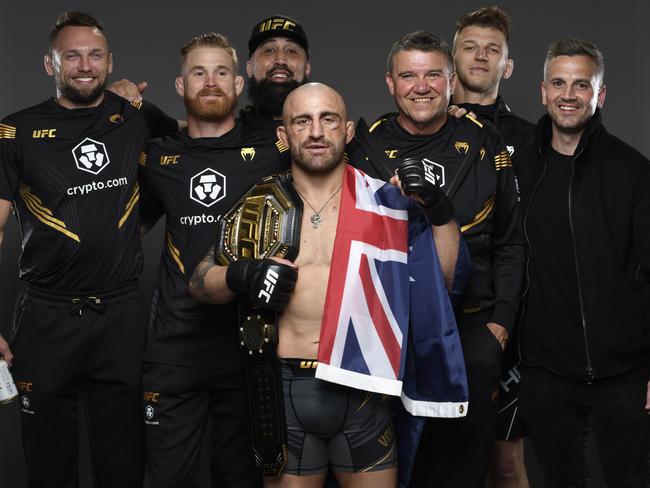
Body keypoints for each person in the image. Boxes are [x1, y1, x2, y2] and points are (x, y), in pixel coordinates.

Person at [188, 82, 466, 488]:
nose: (316, 132)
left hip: (365, 389)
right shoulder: (258, 204)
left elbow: (441, 285)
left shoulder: (384, 202)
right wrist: (240, 275)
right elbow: (198, 282)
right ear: (284, 136)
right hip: (282, 389)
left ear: (348, 130)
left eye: (328, 119)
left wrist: (440, 213)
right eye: (303, 121)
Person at [0, 11, 177, 487]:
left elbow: (195, 154)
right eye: (71, 55)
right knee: (49, 464)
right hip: (45, 318)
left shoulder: (135, 116)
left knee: (123, 463)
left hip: (120, 315)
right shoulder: (12, 132)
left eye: (94, 55)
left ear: (109, 61)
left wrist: (132, 225)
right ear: (48, 64)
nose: (84, 65)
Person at [347, 31, 525, 487]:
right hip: (390, 333)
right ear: (390, 82)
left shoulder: (485, 143)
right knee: (395, 469)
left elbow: (510, 241)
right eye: (408, 75)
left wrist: (500, 325)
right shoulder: (362, 147)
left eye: (432, 75)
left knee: (460, 471)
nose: (420, 86)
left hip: (470, 331)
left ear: (451, 82)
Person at [138, 33, 289, 488]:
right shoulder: (158, 155)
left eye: (221, 72)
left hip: (248, 346)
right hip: (173, 348)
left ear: (239, 83)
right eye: (198, 73)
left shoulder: (274, 151)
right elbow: (117, 232)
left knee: (240, 478)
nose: (210, 82)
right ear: (180, 87)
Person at [514, 37, 650, 487]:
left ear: (600, 94)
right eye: (558, 83)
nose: (568, 95)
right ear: (542, 91)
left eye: (581, 85)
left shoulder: (633, 171)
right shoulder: (517, 169)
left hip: (624, 377)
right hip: (547, 374)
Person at [451, 7, 533, 487]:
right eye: (470, 46)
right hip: (433, 320)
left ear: (508, 65)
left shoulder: (528, 138)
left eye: (493, 50)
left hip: (505, 325)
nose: (481, 56)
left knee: (504, 463)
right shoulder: (424, 126)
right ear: (452, 55)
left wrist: (507, 319)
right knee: (433, 458)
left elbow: (524, 236)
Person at [239, 14, 311, 136]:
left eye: (291, 51)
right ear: (250, 68)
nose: (280, 59)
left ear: (307, 68)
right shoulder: (227, 141)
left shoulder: (335, 139)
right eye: (269, 50)